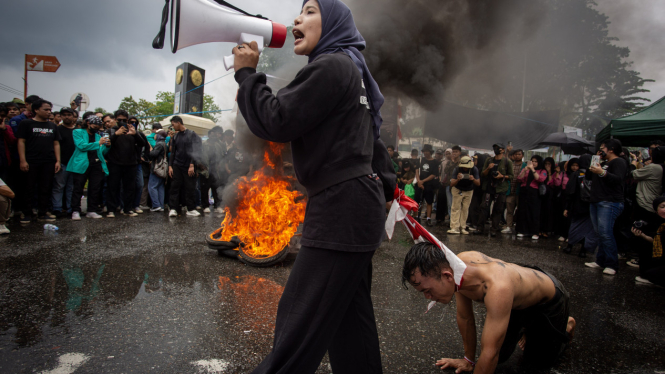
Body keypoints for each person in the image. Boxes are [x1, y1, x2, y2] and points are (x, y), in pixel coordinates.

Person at [232, 0, 394, 371]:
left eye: (309, 11)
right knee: (350, 324)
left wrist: (246, 75)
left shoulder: (332, 65)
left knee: (297, 327)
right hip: (355, 204)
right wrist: (385, 189)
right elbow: (373, 141)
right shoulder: (352, 69)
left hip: (341, 206)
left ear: (334, 23)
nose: (296, 19)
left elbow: (276, 119)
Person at [403, 243, 575, 372]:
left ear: (447, 276)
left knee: (533, 366)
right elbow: (465, 317)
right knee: (503, 356)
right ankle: (527, 329)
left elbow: (490, 353)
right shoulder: (456, 268)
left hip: (548, 300)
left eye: (427, 290)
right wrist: (468, 360)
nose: (427, 297)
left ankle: (565, 326)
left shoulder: (497, 287)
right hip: (514, 301)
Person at [584, 139, 628, 275]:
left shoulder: (619, 162)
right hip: (596, 201)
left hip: (609, 202)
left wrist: (602, 172)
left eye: (603, 147)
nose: (601, 149)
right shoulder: (603, 163)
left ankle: (611, 264)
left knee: (606, 233)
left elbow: (618, 179)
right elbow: (589, 176)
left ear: (611, 149)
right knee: (600, 234)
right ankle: (600, 261)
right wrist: (595, 161)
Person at [16, 99, 61, 223]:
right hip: (31, 161)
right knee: (28, 187)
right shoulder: (26, 124)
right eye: (45, 109)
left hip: (48, 161)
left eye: (50, 110)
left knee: (45, 187)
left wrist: (57, 161)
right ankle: (27, 213)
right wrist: (22, 160)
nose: (48, 112)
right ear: (36, 110)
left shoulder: (52, 126)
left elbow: (56, 143)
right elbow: (21, 141)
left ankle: (43, 212)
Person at [67, 116, 110, 220]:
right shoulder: (77, 132)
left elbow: (100, 151)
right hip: (81, 163)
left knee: (95, 188)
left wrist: (107, 146)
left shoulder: (97, 135)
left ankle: (91, 210)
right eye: (94, 125)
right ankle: (75, 210)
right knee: (78, 188)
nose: (96, 128)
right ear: (88, 123)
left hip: (96, 164)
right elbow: (81, 146)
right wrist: (98, 143)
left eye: (98, 126)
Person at [105, 110, 145, 218]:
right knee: (113, 187)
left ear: (127, 120)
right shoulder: (111, 131)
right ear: (115, 120)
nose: (122, 122)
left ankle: (128, 209)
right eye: (119, 120)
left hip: (131, 164)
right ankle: (111, 210)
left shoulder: (132, 131)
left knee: (130, 188)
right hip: (115, 163)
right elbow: (105, 144)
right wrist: (116, 135)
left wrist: (135, 134)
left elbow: (143, 143)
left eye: (124, 120)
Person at [562, 155, 599, 257]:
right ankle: (583, 250)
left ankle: (570, 246)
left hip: (577, 205)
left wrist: (567, 207)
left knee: (574, 225)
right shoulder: (595, 174)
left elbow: (570, 191)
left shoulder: (576, 174)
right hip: (590, 205)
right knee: (587, 229)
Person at [474, 143, 513, 236]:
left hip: (500, 188)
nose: (496, 150)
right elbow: (483, 174)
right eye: (495, 148)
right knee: (484, 208)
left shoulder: (507, 161)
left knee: (498, 209)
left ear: (503, 150)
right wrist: (488, 168)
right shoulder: (489, 160)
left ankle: (494, 229)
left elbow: (511, 176)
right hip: (488, 188)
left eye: (498, 148)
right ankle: (480, 228)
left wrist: (502, 176)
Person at [167, 116, 202, 217]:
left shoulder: (192, 134)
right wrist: (170, 166)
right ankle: (173, 208)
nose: (172, 127)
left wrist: (192, 164)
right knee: (174, 187)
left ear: (178, 123)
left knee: (190, 187)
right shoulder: (176, 136)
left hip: (189, 166)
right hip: (177, 165)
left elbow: (196, 150)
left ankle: (190, 209)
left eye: (173, 124)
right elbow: (172, 152)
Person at [631, 196, 665, 286]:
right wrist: (642, 235)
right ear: (656, 210)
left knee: (651, 275)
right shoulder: (655, 223)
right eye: (663, 207)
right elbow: (657, 241)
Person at [51, 107, 77, 217]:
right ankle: (57, 208)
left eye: (69, 114)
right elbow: (54, 145)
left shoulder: (77, 131)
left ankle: (70, 208)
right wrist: (57, 161)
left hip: (75, 163)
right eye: (64, 115)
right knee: (59, 186)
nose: (67, 117)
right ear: (61, 116)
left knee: (71, 187)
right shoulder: (57, 129)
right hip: (62, 162)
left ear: (73, 116)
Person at [516, 155, 547, 239]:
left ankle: (534, 232)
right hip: (524, 191)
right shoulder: (526, 169)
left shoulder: (542, 171)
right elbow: (519, 178)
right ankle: (523, 230)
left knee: (534, 212)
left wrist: (533, 170)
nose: (533, 163)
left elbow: (540, 179)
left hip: (534, 193)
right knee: (523, 211)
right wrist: (525, 170)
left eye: (535, 161)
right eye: (532, 161)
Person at [448, 156, 480, 235]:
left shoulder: (474, 169)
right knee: (455, 208)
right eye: (464, 167)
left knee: (465, 209)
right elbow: (452, 184)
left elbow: (478, 183)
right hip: (458, 189)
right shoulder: (457, 169)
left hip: (469, 190)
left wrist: (473, 179)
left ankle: (462, 227)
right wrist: (458, 179)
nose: (465, 169)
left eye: (466, 167)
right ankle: (454, 227)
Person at [200, 127, 226, 213]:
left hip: (216, 170)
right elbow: (198, 156)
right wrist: (200, 166)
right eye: (211, 135)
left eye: (215, 135)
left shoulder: (218, 145)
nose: (213, 137)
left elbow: (222, 157)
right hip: (206, 169)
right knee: (204, 188)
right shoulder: (203, 144)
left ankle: (217, 206)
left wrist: (220, 165)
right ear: (209, 135)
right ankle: (205, 206)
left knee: (216, 188)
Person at [414, 144, 441, 226]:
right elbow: (417, 170)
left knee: (429, 201)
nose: (426, 153)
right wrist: (419, 181)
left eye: (427, 151)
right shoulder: (421, 159)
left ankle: (428, 218)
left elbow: (434, 174)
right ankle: (416, 217)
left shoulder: (434, 162)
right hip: (419, 184)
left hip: (429, 184)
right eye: (424, 151)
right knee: (418, 201)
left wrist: (423, 181)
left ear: (430, 152)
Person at [128, 116, 149, 213]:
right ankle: (126, 206)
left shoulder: (140, 134)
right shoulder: (123, 134)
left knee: (140, 185)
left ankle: (136, 205)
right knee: (128, 185)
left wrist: (144, 157)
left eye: (135, 122)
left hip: (138, 163)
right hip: (125, 163)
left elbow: (145, 145)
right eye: (131, 122)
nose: (133, 124)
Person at [503, 149, 524, 234]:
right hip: (510, 191)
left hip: (520, 192)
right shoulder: (510, 164)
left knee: (520, 210)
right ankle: (509, 226)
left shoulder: (525, 165)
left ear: (522, 156)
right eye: (515, 154)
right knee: (509, 210)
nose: (517, 156)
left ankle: (519, 227)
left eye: (519, 154)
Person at [148, 130, 169, 212]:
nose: (155, 135)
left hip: (157, 168)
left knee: (152, 187)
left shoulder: (159, 144)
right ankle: (161, 205)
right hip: (163, 168)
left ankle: (156, 205)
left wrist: (150, 149)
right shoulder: (165, 144)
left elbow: (153, 154)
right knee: (160, 187)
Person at [539, 157, 556, 238]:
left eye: (549, 164)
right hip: (541, 194)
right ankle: (539, 229)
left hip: (550, 195)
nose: (547, 165)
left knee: (548, 212)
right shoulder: (542, 171)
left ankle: (546, 230)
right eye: (546, 164)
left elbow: (550, 183)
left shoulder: (554, 172)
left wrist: (549, 172)